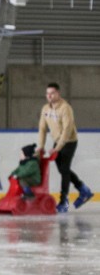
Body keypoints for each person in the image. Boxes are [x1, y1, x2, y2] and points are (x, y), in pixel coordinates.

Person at [37, 82, 93, 212]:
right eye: (47, 93)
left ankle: (64, 202)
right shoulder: (45, 109)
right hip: (58, 142)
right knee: (63, 170)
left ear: (58, 93)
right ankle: (83, 190)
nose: (49, 96)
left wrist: (57, 148)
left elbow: (67, 131)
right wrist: (41, 146)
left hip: (69, 141)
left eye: (52, 93)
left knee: (64, 169)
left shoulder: (65, 108)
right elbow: (42, 128)